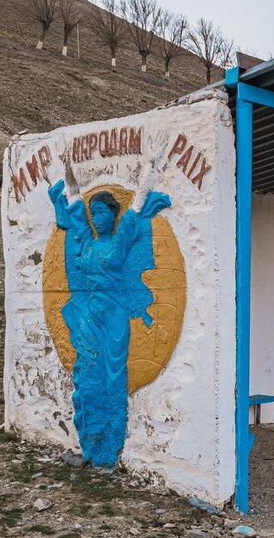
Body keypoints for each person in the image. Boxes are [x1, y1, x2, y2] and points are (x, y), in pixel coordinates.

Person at [47, 178, 171, 467]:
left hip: (115, 316)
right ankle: (92, 436)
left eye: (103, 212)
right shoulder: (88, 245)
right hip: (90, 317)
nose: (98, 218)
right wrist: (73, 195)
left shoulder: (118, 243)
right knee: (89, 370)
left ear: (113, 215)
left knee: (114, 374)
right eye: (95, 213)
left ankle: (111, 442)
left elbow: (132, 220)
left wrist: (146, 180)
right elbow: (78, 225)